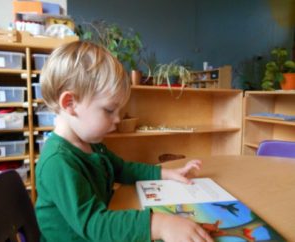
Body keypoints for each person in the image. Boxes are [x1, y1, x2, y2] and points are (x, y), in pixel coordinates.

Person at [35, 41, 213, 242]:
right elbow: (95, 224)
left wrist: (165, 173)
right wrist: (158, 225)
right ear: (70, 103)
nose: (118, 119)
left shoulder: (91, 144)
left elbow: (121, 169)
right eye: (110, 110)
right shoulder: (57, 162)